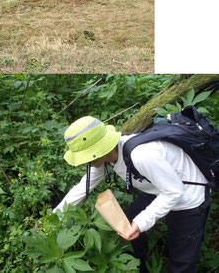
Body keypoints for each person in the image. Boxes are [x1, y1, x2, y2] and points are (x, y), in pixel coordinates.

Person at [53, 116, 211, 273]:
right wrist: (54, 218)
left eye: (84, 157)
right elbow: (82, 188)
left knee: (181, 261)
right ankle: (136, 268)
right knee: (127, 224)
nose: (82, 162)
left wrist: (141, 222)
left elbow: (174, 191)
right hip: (159, 188)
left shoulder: (142, 155)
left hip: (189, 197)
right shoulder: (108, 157)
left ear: (97, 151)